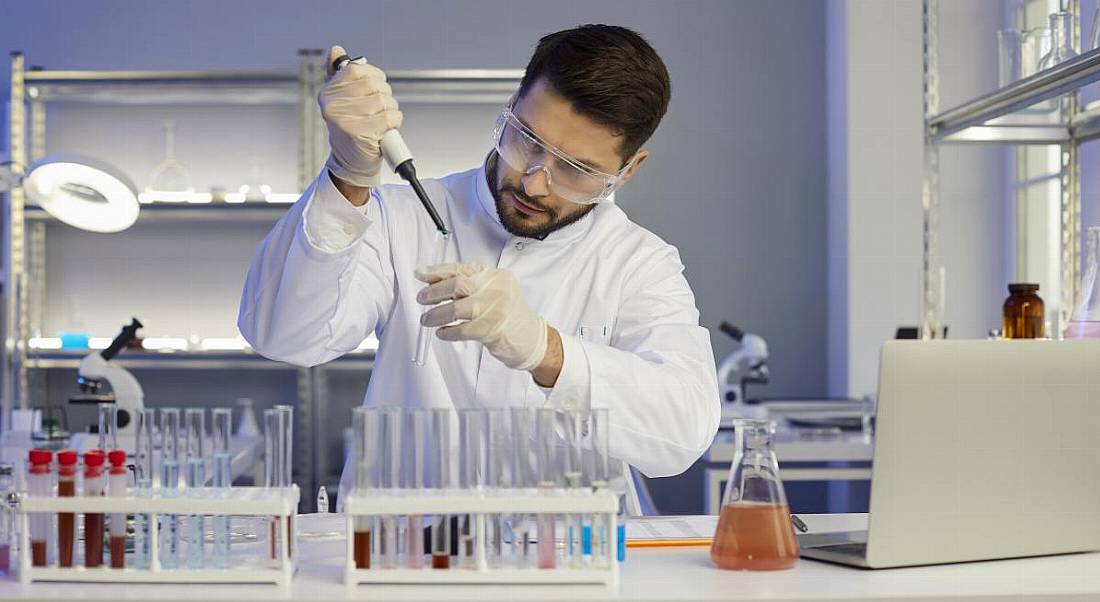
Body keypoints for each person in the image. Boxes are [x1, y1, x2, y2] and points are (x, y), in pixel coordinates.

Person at [238, 24, 720, 508]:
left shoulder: (638, 262)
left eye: (576, 170)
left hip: (568, 564)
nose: (535, 184)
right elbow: (286, 336)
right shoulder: (399, 215)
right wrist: (346, 177)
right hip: (402, 554)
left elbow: (682, 432)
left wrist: (546, 350)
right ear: (511, 107)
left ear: (628, 169)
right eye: (528, 140)